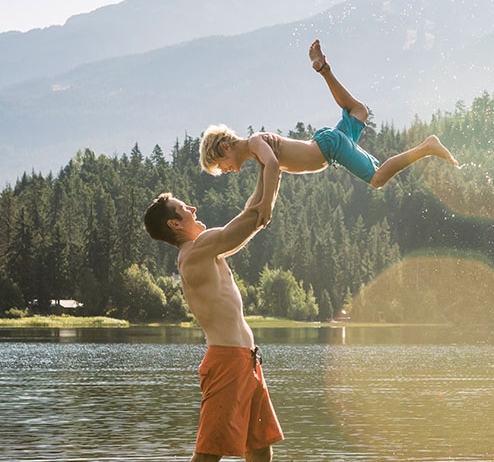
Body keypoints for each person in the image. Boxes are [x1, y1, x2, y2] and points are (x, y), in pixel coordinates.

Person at [198, 39, 458, 224]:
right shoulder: (259, 156)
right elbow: (270, 179)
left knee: (378, 178)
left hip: (330, 147)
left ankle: (426, 147)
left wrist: (265, 205)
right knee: (359, 111)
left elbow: (274, 167)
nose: (225, 171)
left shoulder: (255, 142)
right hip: (327, 143)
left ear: (225, 147)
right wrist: (255, 209)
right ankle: (324, 69)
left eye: (221, 165)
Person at [143, 165, 284, 462]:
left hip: (247, 360)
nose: (193, 209)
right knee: (208, 454)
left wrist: (266, 169)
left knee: (259, 447)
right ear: (175, 224)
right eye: (185, 208)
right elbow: (250, 220)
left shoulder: (208, 251)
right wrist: (271, 167)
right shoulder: (196, 252)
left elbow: (249, 216)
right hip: (227, 362)